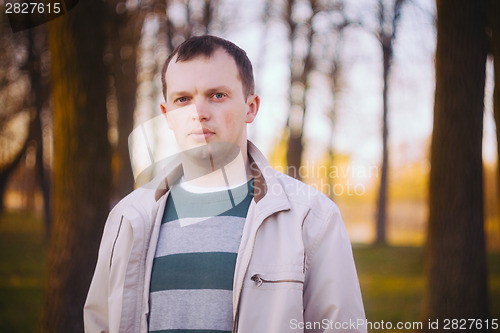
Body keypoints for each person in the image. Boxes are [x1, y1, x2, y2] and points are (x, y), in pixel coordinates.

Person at [84, 35, 366, 333]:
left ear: (251, 108)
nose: (198, 112)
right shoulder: (127, 218)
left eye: (217, 95)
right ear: (167, 115)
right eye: (183, 99)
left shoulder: (312, 218)